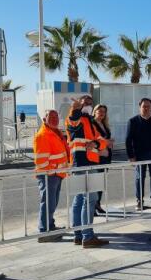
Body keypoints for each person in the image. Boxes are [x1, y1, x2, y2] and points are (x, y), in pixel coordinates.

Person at [67, 95, 109, 248]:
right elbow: (73, 121)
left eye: (91, 104)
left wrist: (96, 143)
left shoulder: (90, 121)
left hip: (87, 163)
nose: (88, 106)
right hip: (82, 165)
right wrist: (75, 108)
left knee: (79, 200)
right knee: (90, 199)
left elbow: (103, 141)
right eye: (85, 103)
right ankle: (87, 237)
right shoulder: (76, 118)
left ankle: (78, 235)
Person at [125, 98, 151, 210]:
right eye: (144, 106)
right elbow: (128, 140)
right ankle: (139, 200)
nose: (146, 108)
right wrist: (131, 156)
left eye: (148, 106)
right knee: (140, 178)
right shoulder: (133, 121)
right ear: (140, 107)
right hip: (139, 155)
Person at [33, 109, 69, 243]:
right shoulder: (43, 135)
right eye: (51, 117)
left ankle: (50, 226)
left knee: (52, 202)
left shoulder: (56, 133)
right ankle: (44, 231)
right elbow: (41, 161)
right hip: (49, 175)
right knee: (48, 203)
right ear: (44, 119)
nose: (54, 119)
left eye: (56, 117)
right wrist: (52, 172)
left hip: (56, 174)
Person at [92, 104, 113, 215]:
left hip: (106, 157)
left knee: (102, 183)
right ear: (94, 112)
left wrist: (109, 142)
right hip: (97, 156)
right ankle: (93, 206)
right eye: (99, 111)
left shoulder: (105, 124)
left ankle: (98, 203)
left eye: (103, 112)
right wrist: (105, 143)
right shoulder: (92, 124)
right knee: (96, 182)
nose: (101, 114)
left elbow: (104, 139)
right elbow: (92, 140)